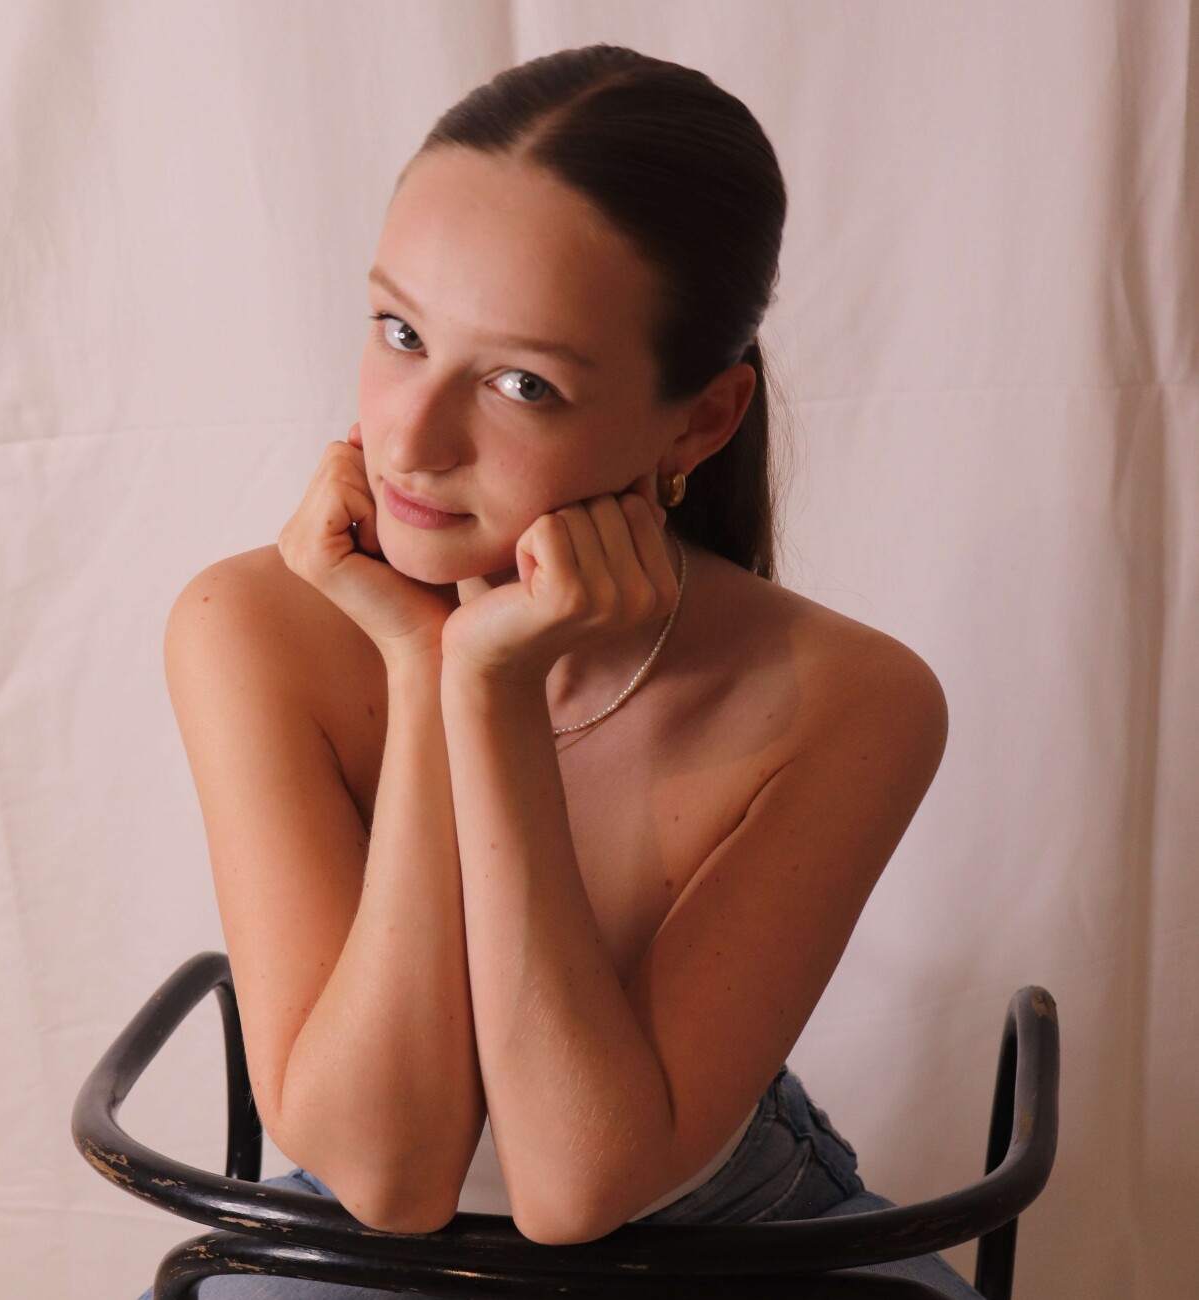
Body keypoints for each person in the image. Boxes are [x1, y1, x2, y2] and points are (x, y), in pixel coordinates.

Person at [142, 42, 980, 1300]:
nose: (411, 439)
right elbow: (384, 1177)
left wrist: (491, 696)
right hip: (351, 1247)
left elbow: (581, 1187)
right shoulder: (246, 624)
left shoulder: (854, 700)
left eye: (521, 383)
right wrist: (424, 668)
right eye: (400, 331)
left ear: (699, 420)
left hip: (735, 1235)